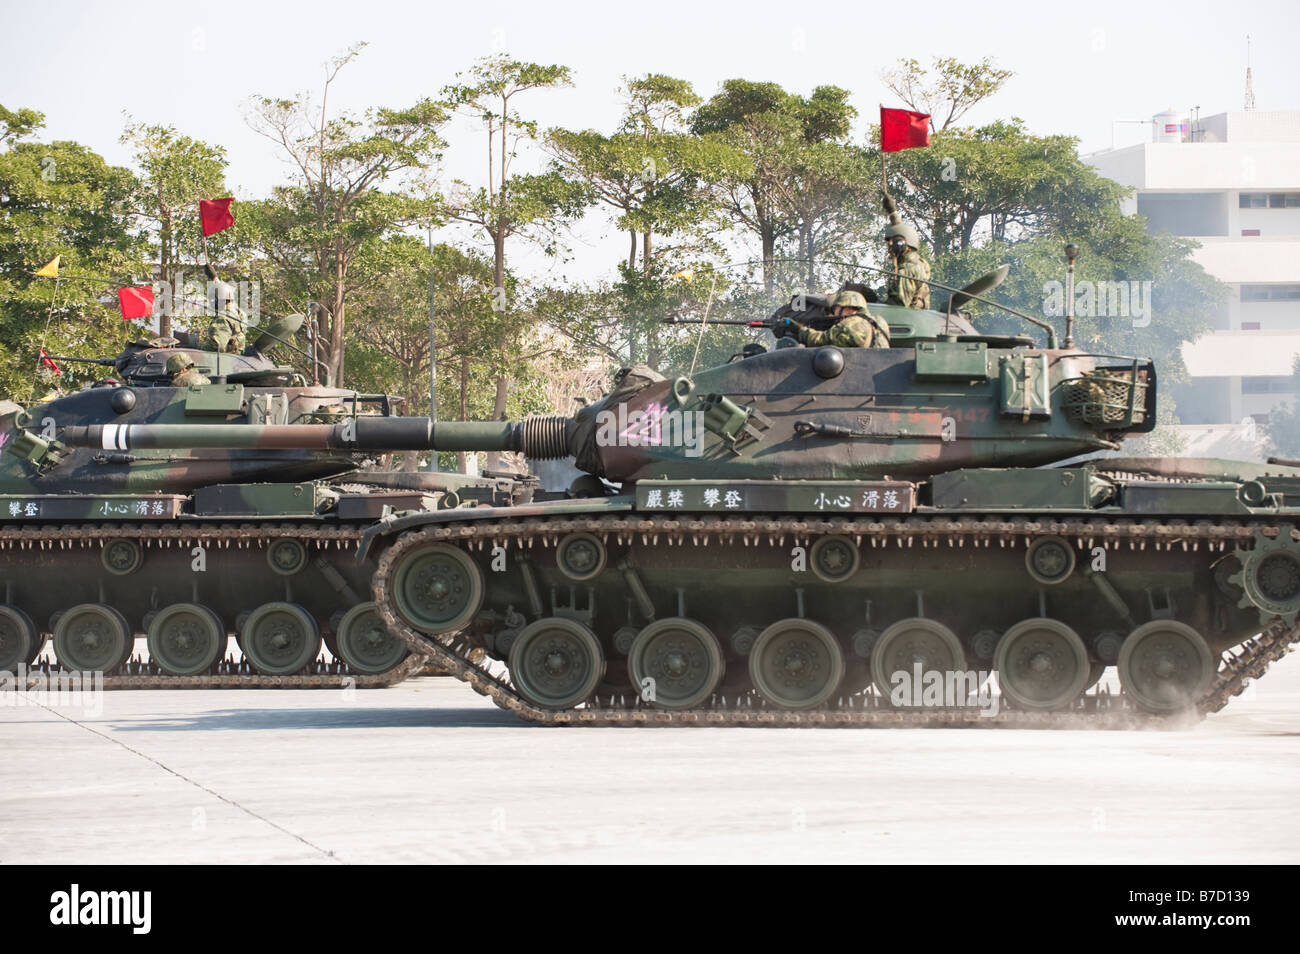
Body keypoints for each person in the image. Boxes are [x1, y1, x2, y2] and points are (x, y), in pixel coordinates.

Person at [774, 290, 891, 348]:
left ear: (847, 307)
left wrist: (798, 329)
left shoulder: (851, 324)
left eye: (835, 308)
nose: (834, 313)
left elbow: (821, 340)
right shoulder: (879, 321)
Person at [882, 222, 931, 310]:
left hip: (904, 318)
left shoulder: (907, 269)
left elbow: (898, 307)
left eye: (893, 243)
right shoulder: (918, 262)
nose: (889, 246)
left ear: (901, 244)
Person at [200, 279, 246, 353]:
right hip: (235, 359)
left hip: (224, 361)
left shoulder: (222, 319)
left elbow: (217, 347)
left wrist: (197, 344)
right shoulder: (235, 314)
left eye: (212, 299)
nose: (211, 303)